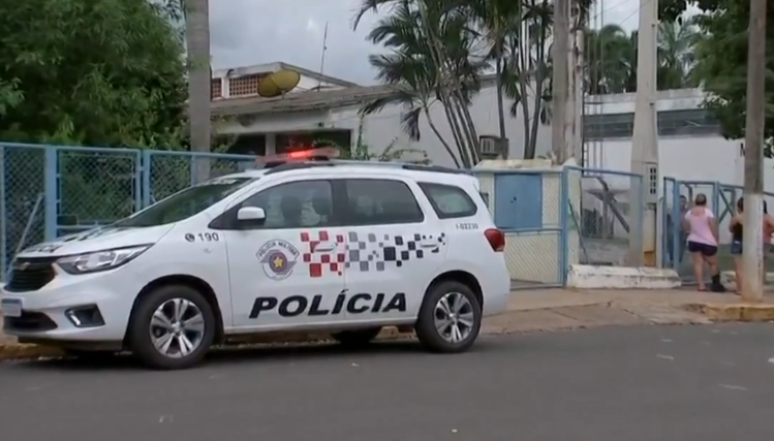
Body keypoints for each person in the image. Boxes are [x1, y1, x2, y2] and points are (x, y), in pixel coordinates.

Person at [728, 198, 774, 294]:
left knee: (739, 267)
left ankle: (740, 289)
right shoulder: (765, 217)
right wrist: (769, 231)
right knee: (759, 266)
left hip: (738, 241)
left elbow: (731, 229)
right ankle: (757, 288)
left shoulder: (738, 217)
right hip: (760, 242)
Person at [683, 193, 725, 292]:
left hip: (693, 240)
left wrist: (692, 230)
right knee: (713, 263)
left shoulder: (689, 213)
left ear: (695, 201)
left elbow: (685, 226)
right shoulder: (708, 212)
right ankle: (715, 285)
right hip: (708, 242)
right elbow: (713, 226)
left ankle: (701, 286)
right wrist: (716, 239)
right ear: (705, 202)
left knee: (698, 263)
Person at [666, 195, 688, 266]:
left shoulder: (687, 212)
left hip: (683, 234)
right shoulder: (671, 211)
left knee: (680, 253)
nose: (682, 203)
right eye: (680, 201)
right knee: (672, 251)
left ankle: (677, 263)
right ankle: (673, 263)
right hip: (672, 234)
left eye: (683, 201)